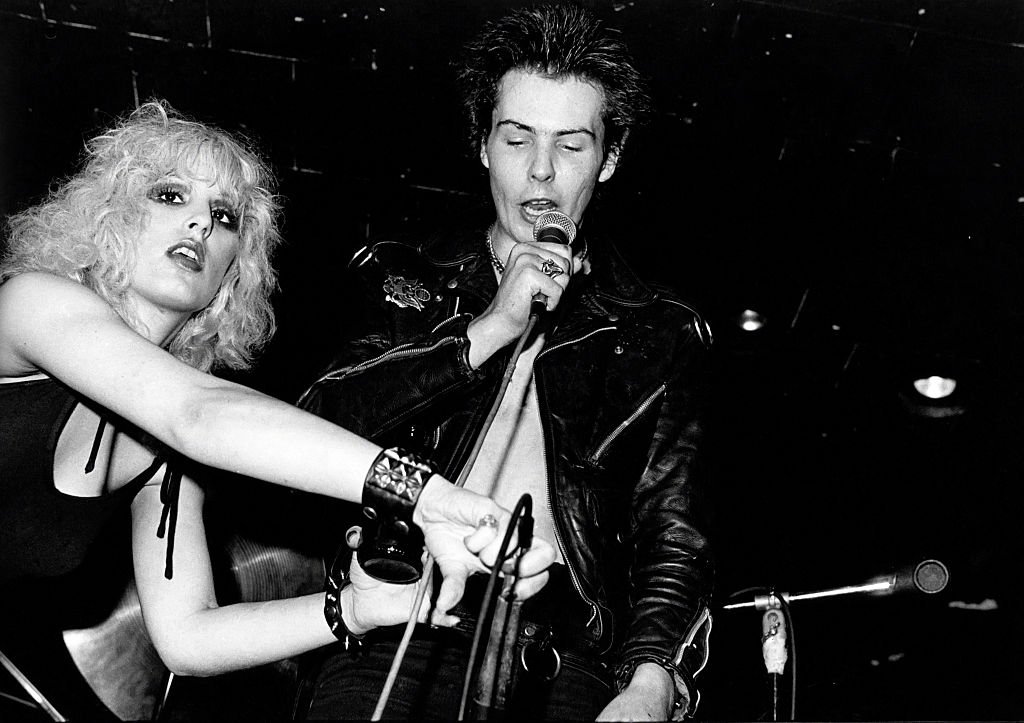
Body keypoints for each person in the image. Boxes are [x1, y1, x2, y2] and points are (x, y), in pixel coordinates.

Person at [0, 100, 553, 720]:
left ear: (235, 273)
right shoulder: (32, 304)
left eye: (224, 216)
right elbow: (198, 413)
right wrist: (428, 496)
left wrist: (357, 608)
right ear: (109, 214)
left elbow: (188, 639)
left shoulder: (166, 458)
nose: (200, 226)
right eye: (169, 195)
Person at [297, 3, 714, 720]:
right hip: (398, 628)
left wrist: (650, 680)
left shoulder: (658, 331)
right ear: (483, 145)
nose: (541, 172)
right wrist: (486, 329)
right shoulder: (403, 278)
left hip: (559, 661)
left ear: (610, 158)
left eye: (573, 147)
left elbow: (673, 528)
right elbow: (311, 430)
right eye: (518, 139)